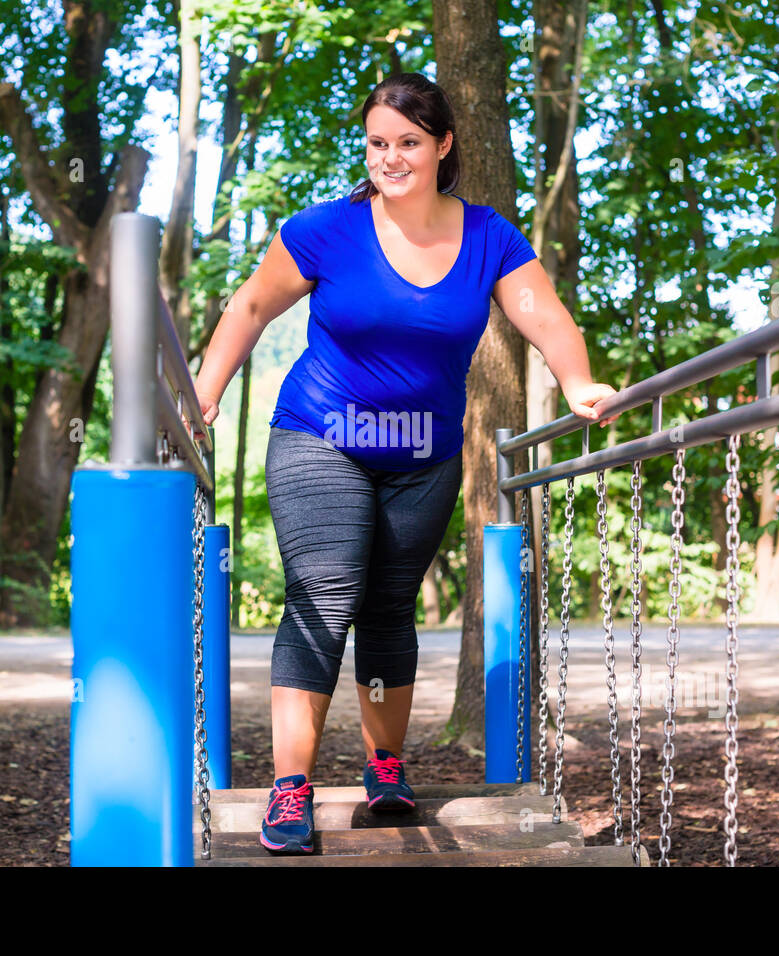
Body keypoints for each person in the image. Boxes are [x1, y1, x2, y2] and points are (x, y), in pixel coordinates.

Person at [192, 72, 619, 855]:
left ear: (443, 145)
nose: (391, 158)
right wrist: (207, 393)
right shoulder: (328, 230)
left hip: (425, 458)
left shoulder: (488, 236)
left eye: (408, 144)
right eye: (378, 144)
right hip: (320, 436)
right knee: (324, 593)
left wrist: (577, 379)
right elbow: (250, 306)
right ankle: (293, 792)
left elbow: (542, 315)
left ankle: (386, 769)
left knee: (388, 608)